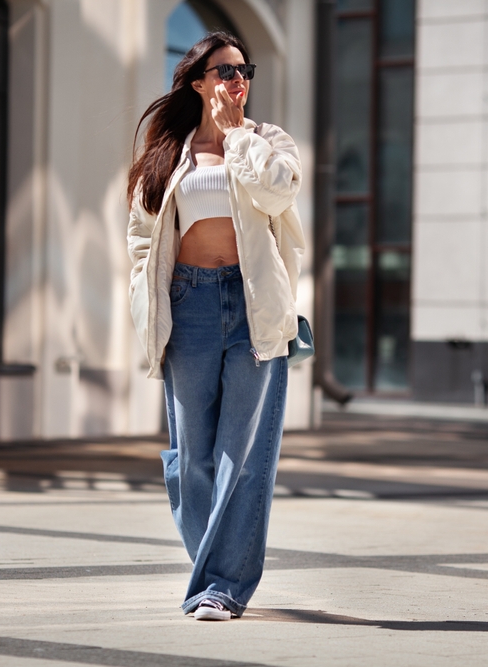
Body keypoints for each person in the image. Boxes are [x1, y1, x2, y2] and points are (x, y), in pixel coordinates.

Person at [126, 32, 305, 622]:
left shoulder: (267, 143)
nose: (237, 80)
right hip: (190, 305)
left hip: (252, 305)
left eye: (243, 70)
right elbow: (141, 239)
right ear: (197, 81)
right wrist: (145, 304)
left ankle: (222, 587)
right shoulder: (168, 153)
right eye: (224, 71)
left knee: (244, 457)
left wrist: (234, 136)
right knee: (190, 458)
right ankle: (213, 573)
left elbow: (277, 192)